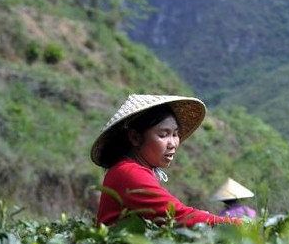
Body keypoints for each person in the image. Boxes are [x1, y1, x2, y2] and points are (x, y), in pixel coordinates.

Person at [91, 94, 242, 228]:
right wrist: (240, 225)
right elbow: (178, 216)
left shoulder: (129, 170)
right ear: (135, 137)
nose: (173, 143)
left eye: (175, 134)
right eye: (163, 135)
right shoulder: (129, 174)